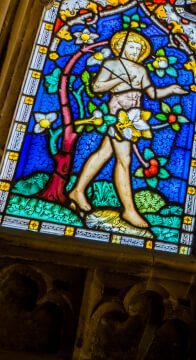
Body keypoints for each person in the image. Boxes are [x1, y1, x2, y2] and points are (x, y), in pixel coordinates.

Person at [68, 30, 187, 229]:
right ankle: (129, 210)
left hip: (135, 114)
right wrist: (118, 80)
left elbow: (153, 93)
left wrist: (172, 89)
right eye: (131, 46)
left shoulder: (141, 70)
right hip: (119, 113)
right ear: (121, 46)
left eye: (138, 48)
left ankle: (77, 190)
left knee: (103, 153)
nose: (135, 51)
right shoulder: (111, 64)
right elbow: (97, 87)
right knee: (125, 159)